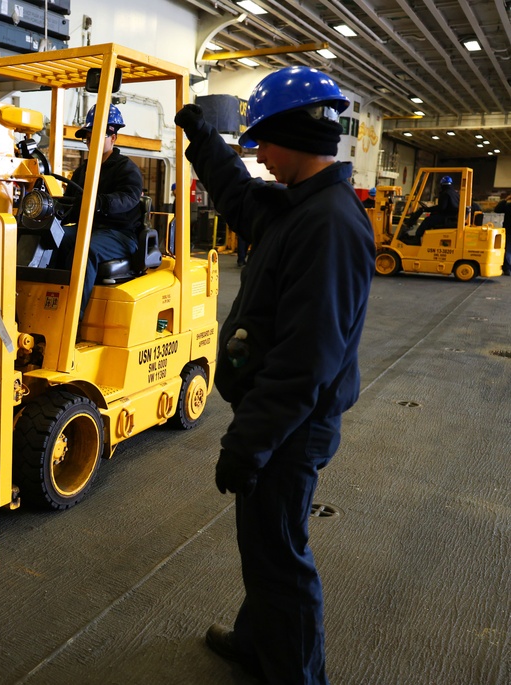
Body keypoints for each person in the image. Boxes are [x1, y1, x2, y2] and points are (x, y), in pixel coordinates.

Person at [174, 66, 375, 685]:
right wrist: (203, 141)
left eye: (263, 139)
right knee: (263, 547)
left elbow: (304, 361)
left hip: (292, 427)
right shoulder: (299, 207)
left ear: (294, 136)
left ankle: (295, 673)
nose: (257, 152)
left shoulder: (330, 227)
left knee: (281, 560)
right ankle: (258, 639)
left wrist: (248, 444)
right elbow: (239, 196)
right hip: (279, 417)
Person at [57, 104, 143, 321]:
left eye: (96, 136)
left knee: (87, 250)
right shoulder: (83, 171)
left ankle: (72, 319)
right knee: (52, 239)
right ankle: (49, 307)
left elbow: (129, 198)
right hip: (88, 228)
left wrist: (101, 202)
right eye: (88, 138)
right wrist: (53, 214)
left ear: (113, 137)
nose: (90, 143)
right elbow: (71, 203)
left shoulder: (126, 169)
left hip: (120, 234)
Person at [495, 192, 511, 275]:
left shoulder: (508, 206)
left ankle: (508, 269)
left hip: (508, 230)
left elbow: (497, 210)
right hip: (508, 231)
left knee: (507, 250)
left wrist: (505, 200)